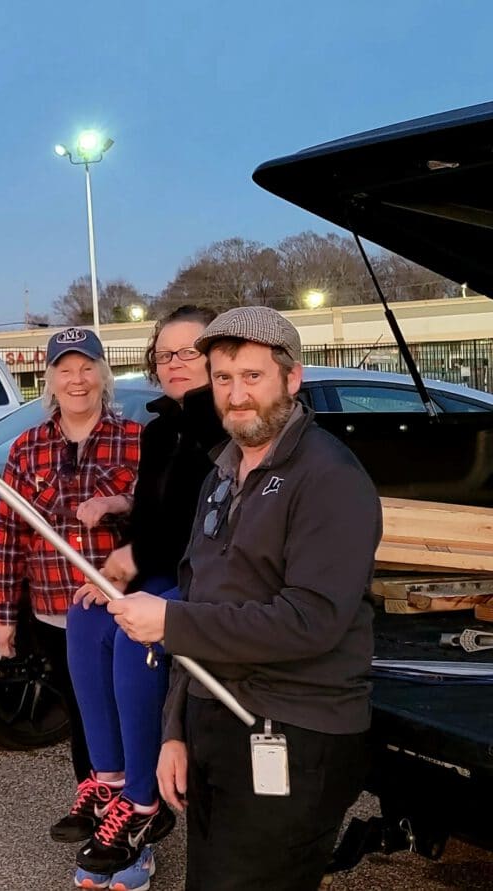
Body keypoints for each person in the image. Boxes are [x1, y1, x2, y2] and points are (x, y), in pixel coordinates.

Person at [107, 306, 382, 891]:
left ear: (292, 377)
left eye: (252, 377)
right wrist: (175, 728)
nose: (236, 395)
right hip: (218, 720)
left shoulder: (328, 476)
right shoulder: (221, 475)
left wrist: (172, 622)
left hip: (296, 729)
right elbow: (201, 598)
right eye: (224, 378)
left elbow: (310, 621)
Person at [64, 306, 224, 889]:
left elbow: (192, 518)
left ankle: (140, 798)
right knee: (85, 615)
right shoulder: (160, 429)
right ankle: (106, 776)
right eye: (164, 354)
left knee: (137, 637)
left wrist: (132, 560)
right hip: (159, 564)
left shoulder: (224, 426)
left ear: (217, 358)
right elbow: (156, 510)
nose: (174, 363)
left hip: (204, 575)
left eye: (189, 353)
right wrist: (122, 551)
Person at [0, 326, 142, 863]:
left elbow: (161, 519)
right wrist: (3, 617)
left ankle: (138, 823)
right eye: (64, 369)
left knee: (127, 715)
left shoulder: (136, 438)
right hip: (54, 611)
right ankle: (99, 813)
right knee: (84, 719)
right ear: (49, 379)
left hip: (120, 612)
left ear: (103, 373)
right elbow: (8, 535)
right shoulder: (26, 449)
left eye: (87, 367)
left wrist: (119, 503)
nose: (77, 379)